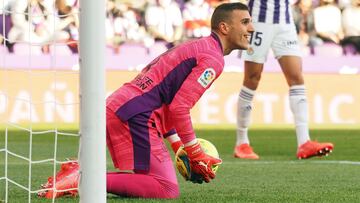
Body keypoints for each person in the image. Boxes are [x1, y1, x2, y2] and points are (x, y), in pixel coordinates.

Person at [38, 2, 254, 199]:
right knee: (166, 188)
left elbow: (167, 98)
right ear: (225, 27)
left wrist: (180, 146)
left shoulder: (197, 46)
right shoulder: (212, 59)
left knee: (147, 180)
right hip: (136, 113)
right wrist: (195, 152)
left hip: (125, 105)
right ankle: (81, 178)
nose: (251, 29)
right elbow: (180, 107)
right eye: (245, 22)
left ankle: (79, 174)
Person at [233, 0, 334, 160]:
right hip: (259, 20)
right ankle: (242, 142)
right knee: (252, 78)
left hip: (285, 21)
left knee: (296, 77)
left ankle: (304, 142)